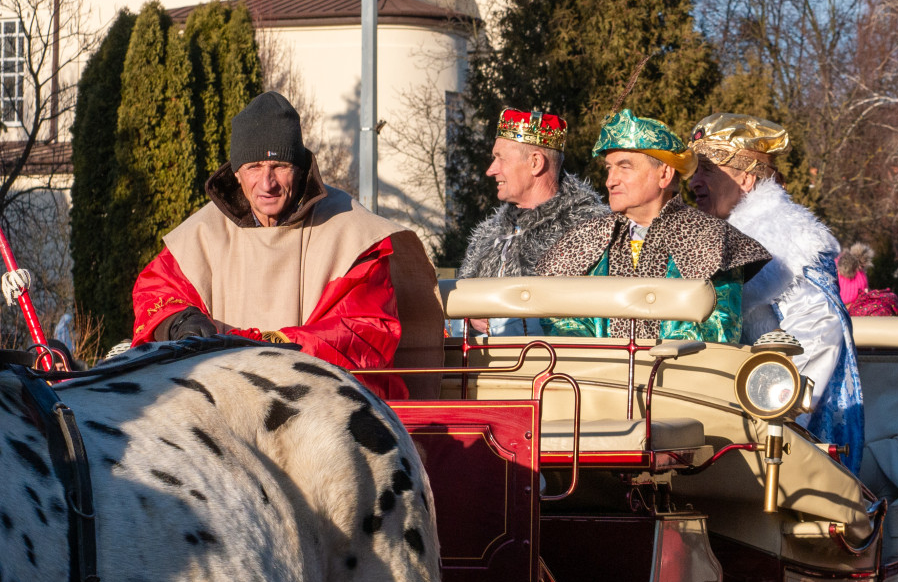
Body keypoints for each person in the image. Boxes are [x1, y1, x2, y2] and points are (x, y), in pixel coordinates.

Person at [131, 90, 442, 400]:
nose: (267, 183)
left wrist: (255, 345)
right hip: (223, 404)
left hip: (321, 406)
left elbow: (363, 332)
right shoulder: (201, 234)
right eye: (254, 167)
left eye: (279, 165)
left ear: (300, 168)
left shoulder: (352, 232)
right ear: (237, 173)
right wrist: (179, 322)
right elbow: (157, 292)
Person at [687, 112, 863, 473]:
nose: (693, 182)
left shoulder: (790, 240)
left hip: (777, 438)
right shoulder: (719, 237)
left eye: (706, 169)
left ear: (747, 178)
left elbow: (818, 341)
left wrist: (770, 424)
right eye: (693, 171)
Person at [536, 109, 770, 342]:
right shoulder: (585, 238)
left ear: (664, 175)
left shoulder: (713, 239)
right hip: (594, 378)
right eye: (609, 168)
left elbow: (716, 331)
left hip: (678, 377)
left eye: (624, 166)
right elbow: (561, 321)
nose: (610, 181)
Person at [457, 108, 608, 335]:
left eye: (500, 158)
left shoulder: (592, 230)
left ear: (535, 163)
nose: (491, 170)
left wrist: (499, 320)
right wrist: (467, 317)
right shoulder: (486, 236)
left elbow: (588, 321)